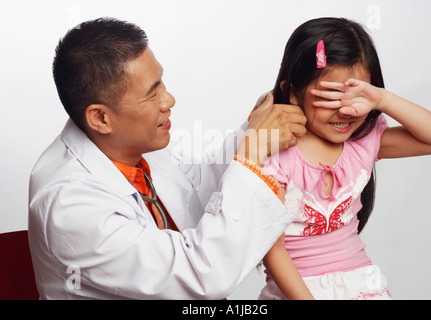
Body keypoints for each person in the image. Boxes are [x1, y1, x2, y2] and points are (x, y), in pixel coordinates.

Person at [27, 17, 308, 299]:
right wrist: (252, 153)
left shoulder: (127, 143)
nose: (169, 100)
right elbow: (202, 277)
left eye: (162, 82)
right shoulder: (70, 205)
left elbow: (200, 185)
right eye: (152, 94)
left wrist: (261, 123)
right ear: (100, 118)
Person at [258, 17, 431, 300]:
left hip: (361, 285)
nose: (347, 112)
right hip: (296, 291)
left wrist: (382, 99)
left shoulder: (363, 142)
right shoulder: (274, 153)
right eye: (332, 97)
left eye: (357, 97)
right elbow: (273, 250)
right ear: (294, 93)